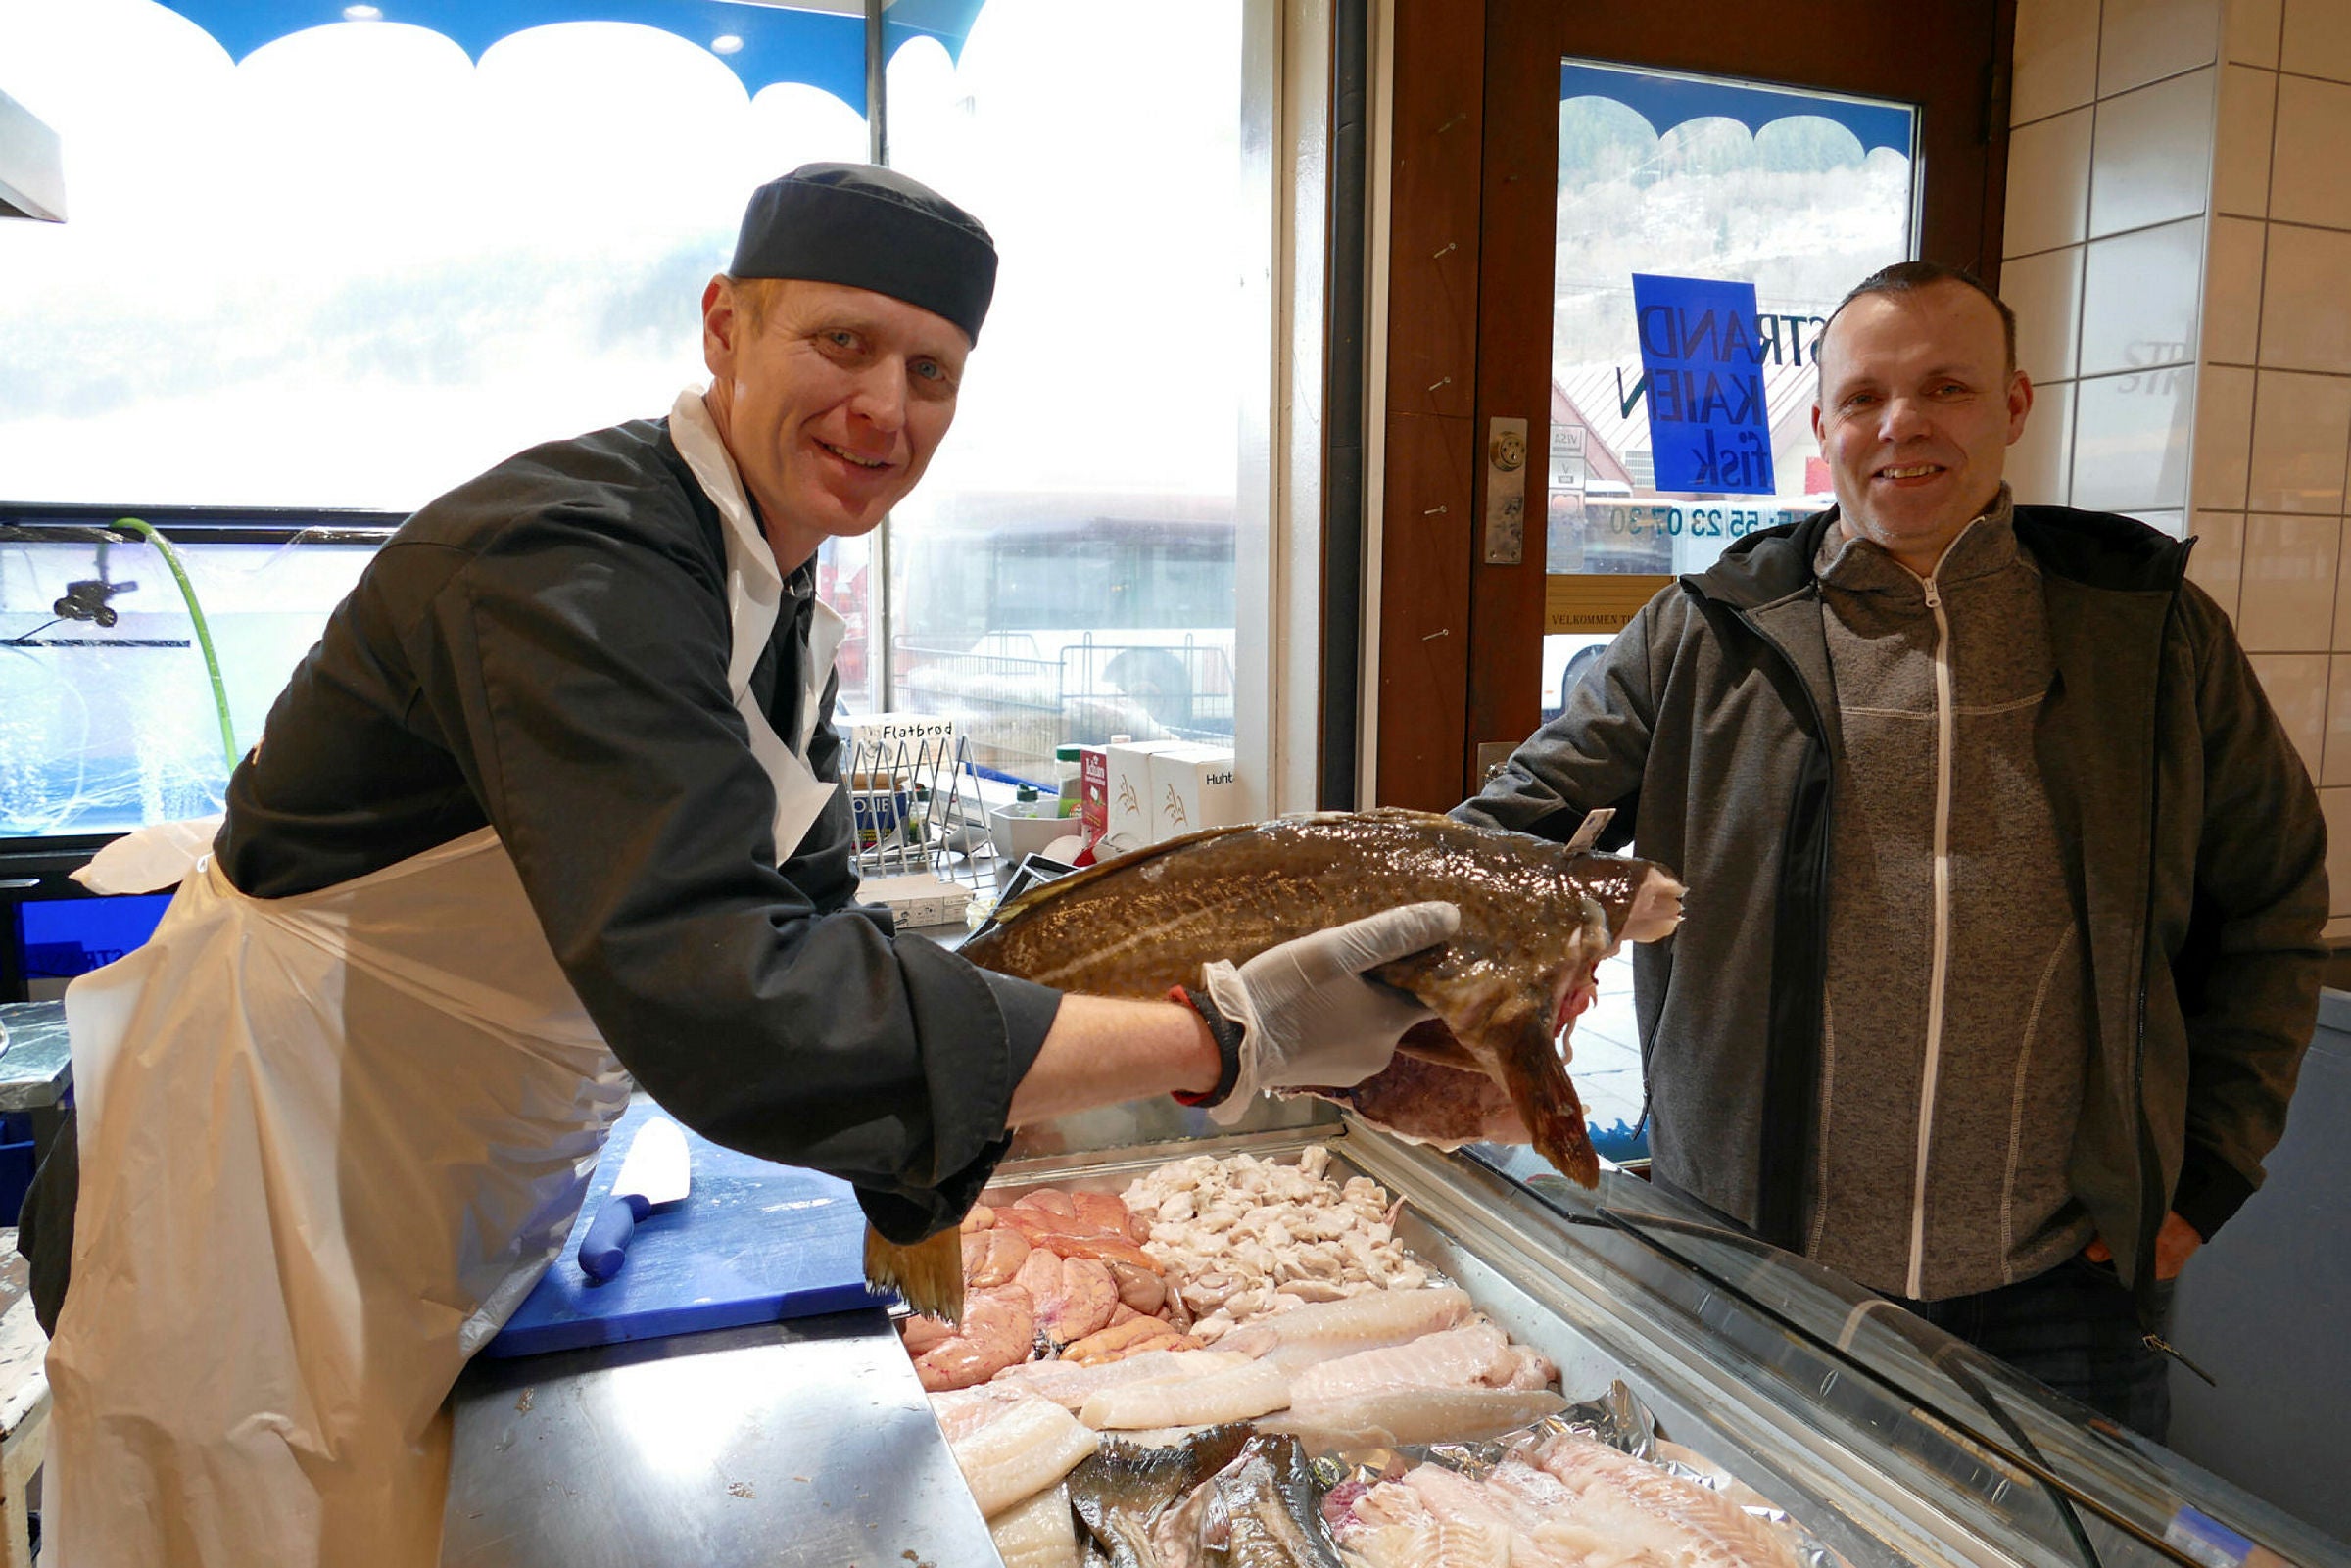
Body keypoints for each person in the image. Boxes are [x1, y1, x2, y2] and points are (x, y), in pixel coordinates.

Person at [36, 164, 1456, 1565]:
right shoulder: (575, 558)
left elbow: (816, 918)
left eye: (931, 371)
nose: (885, 408)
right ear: (724, 326)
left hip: (435, 1168)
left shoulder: (766, 589)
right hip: (255, 1168)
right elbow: (732, 990)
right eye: (842, 342)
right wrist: (1219, 1041)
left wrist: (963, 1126)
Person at [1456, 260, 2327, 1441]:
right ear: (1822, 425)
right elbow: (1497, 836)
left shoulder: (2149, 628)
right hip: (1757, 1262)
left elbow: (2273, 903)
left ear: (2014, 404)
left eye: (1946, 388)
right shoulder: (1707, 632)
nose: (1901, 423)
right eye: (1864, 396)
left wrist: (2209, 1170)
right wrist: (1324, 964)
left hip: (2060, 1281)